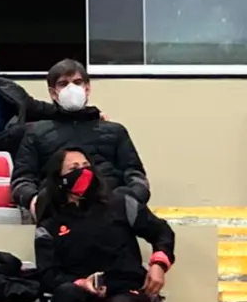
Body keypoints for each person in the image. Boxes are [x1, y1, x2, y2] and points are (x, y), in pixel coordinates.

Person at [34, 147, 175, 302]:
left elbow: (162, 233)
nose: (83, 172)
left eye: (86, 166)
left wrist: (159, 264)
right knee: (66, 294)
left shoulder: (121, 202)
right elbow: (48, 274)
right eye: (73, 168)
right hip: (80, 291)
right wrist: (82, 283)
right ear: (58, 178)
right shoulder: (49, 223)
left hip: (126, 288)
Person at [12, 59, 149, 220]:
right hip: (60, 217)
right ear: (53, 93)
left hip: (111, 215)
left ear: (87, 88)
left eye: (77, 82)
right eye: (63, 84)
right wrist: (35, 201)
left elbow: (135, 175)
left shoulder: (115, 131)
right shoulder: (35, 133)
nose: (72, 88)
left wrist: (129, 200)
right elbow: (21, 181)